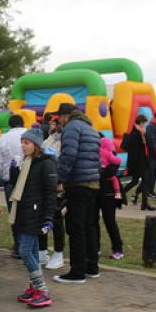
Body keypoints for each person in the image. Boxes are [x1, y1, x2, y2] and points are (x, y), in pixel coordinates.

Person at [52, 103, 101, 285]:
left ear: (65, 116)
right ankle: (92, 266)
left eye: (59, 118)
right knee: (90, 225)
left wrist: (59, 179)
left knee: (75, 227)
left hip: (78, 182)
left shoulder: (72, 127)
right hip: (93, 183)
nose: (59, 122)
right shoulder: (91, 129)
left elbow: (69, 155)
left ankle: (77, 271)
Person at [11, 128, 57, 307]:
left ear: (36, 145)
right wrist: (14, 170)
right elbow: (20, 188)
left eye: (27, 142)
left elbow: (50, 192)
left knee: (24, 251)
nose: (23, 146)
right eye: (22, 142)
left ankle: (43, 291)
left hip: (36, 213)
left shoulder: (46, 164)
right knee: (32, 253)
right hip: (25, 211)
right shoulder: (28, 162)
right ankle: (34, 287)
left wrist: (48, 217)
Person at [0, 115, 26, 255]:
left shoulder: (4, 138)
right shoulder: (28, 134)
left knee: (14, 214)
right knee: (28, 213)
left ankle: (18, 245)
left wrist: (4, 175)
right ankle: (28, 246)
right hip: (28, 181)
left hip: (10, 182)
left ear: (10, 125)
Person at [41, 114, 65, 270]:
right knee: (42, 217)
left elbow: (65, 162)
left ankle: (58, 252)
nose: (51, 125)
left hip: (57, 186)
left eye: (53, 123)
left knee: (56, 219)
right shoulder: (48, 139)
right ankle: (41, 250)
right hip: (44, 183)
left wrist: (61, 181)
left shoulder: (65, 140)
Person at [97, 134, 124, 260]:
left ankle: (118, 248)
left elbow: (109, 173)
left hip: (108, 194)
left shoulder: (111, 159)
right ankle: (95, 247)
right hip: (96, 192)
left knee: (110, 222)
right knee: (92, 221)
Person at [122, 114, 149, 206]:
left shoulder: (137, 132)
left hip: (136, 161)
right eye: (144, 123)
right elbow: (138, 148)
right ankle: (144, 203)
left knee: (135, 181)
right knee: (145, 179)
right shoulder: (136, 134)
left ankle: (123, 193)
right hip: (138, 161)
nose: (144, 125)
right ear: (141, 122)